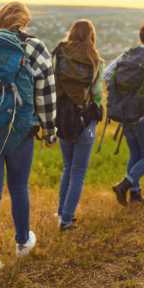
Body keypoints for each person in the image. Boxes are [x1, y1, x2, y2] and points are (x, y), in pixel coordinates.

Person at [0, 2, 57, 278]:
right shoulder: (35, 47)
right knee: (19, 187)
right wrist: (49, 131)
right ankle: (22, 241)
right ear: (23, 22)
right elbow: (46, 94)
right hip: (20, 130)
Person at [104, 21, 144, 206]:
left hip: (126, 115)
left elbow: (107, 75)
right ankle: (125, 185)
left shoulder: (126, 55)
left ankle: (136, 194)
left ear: (141, 37)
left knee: (135, 155)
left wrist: (124, 95)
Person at [53, 20, 104, 230]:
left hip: (63, 117)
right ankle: (67, 219)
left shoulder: (59, 53)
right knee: (78, 171)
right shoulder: (95, 60)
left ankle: (61, 213)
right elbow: (98, 95)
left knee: (68, 167)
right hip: (84, 119)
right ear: (91, 35)